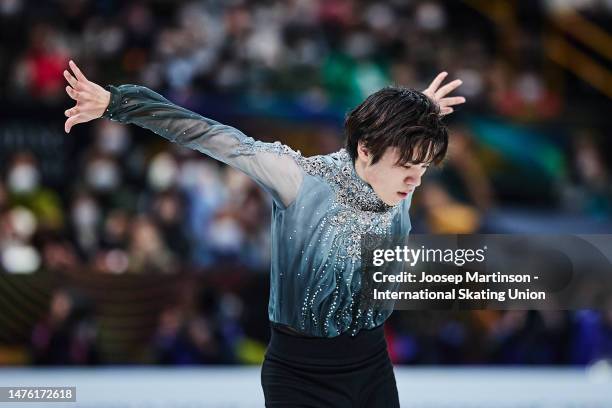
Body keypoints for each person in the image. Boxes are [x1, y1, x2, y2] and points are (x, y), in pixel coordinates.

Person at [63, 60, 464, 407]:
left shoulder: (398, 176)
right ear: (365, 148)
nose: (415, 179)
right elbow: (210, 135)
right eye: (409, 165)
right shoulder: (299, 179)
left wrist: (420, 108)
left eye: (425, 167)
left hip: (372, 365)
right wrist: (118, 103)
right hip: (300, 376)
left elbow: (400, 139)